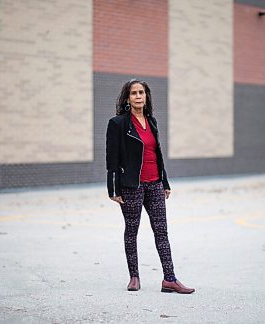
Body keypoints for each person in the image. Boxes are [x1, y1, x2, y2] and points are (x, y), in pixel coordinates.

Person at [105, 79, 195, 294]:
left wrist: (164, 182)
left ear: (146, 97)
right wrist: (114, 189)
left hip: (154, 184)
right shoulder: (118, 123)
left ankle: (169, 279)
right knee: (132, 231)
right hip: (131, 186)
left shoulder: (151, 121)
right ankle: (134, 277)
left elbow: (157, 154)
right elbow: (112, 159)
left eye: (142, 92)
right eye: (134, 93)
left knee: (161, 232)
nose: (138, 96)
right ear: (127, 98)